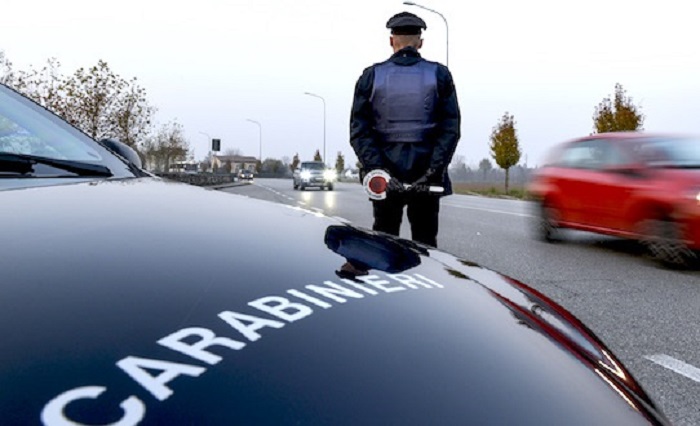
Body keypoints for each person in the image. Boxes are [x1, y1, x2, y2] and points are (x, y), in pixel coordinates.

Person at [350, 11, 461, 248]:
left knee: (384, 241)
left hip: (385, 175)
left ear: (392, 41)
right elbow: (450, 128)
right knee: (425, 243)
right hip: (427, 176)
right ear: (420, 42)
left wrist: (377, 169)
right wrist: (434, 170)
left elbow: (359, 130)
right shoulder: (439, 75)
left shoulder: (371, 76)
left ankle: (387, 282)